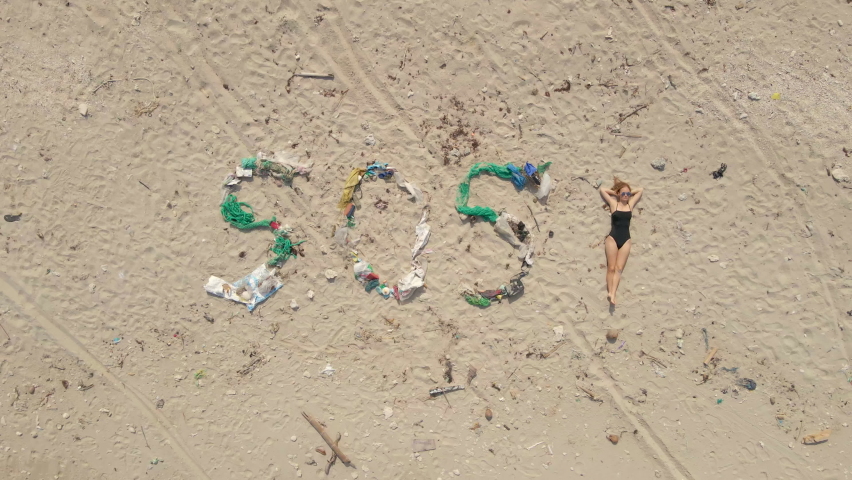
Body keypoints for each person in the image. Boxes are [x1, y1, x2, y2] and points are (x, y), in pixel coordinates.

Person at [599, 177, 643, 305]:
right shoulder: (614, 204)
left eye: (628, 194)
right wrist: (616, 193)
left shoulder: (630, 204)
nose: (625, 195)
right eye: (623, 193)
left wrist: (629, 192)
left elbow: (640, 190)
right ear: (619, 194)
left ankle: (612, 293)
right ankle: (610, 292)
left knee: (619, 269)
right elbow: (603, 190)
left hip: (626, 240)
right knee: (611, 268)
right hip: (612, 238)